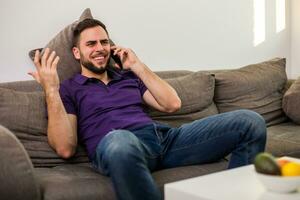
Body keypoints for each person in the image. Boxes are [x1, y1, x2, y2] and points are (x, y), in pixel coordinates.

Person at [29, 18, 267, 200]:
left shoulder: (127, 76)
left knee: (250, 121)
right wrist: (51, 89)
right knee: (120, 139)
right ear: (77, 52)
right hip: (118, 146)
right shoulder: (69, 88)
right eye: (91, 44)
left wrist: (137, 66)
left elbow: (171, 104)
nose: (99, 48)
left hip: (164, 141)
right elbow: (65, 148)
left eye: (104, 42)